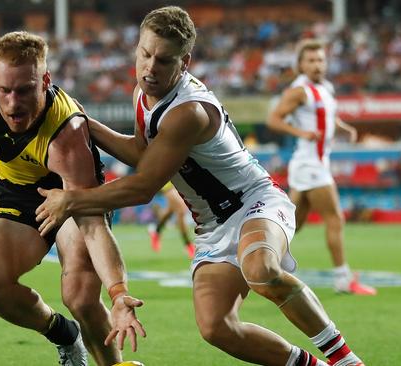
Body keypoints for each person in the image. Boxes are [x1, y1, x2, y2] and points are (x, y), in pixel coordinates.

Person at [36, 7, 364, 366]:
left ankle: (345, 360)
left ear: (185, 61)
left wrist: (72, 200)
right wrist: (78, 120)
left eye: (163, 60)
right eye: (145, 55)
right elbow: (141, 154)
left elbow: (144, 187)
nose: (150, 68)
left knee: (260, 270)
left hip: (255, 203)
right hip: (212, 226)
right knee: (215, 328)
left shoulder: (187, 111)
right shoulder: (143, 95)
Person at [0, 31, 145, 366]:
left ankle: (114, 364)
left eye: (24, 90)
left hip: (71, 193)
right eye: (4, 90)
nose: (12, 103)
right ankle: (64, 334)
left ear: (45, 81)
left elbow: (93, 228)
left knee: (79, 296)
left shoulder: (67, 135)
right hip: (19, 193)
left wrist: (118, 292)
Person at [267, 39, 376, 296]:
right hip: (309, 163)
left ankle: (257, 266)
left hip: (313, 163)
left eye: (321, 60)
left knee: (294, 224)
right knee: (335, 218)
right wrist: (300, 132)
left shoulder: (325, 88)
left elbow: (327, 116)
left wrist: (343, 128)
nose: (317, 65)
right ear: (300, 65)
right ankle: (342, 278)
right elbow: (273, 119)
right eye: (311, 60)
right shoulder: (299, 91)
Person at [147, 181, 195, 258]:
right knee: (181, 210)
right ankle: (188, 245)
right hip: (167, 180)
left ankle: (156, 231)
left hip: (179, 177)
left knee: (171, 209)